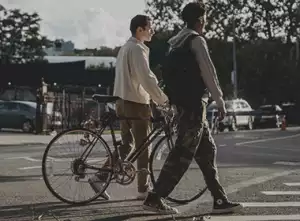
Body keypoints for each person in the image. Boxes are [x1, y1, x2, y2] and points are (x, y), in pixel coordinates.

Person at [142, 2, 243, 214]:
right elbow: (209, 73)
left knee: (207, 151)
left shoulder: (175, 42)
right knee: (182, 154)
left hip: (182, 104)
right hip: (194, 106)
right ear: (200, 19)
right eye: (205, 18)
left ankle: (219, 199)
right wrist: (220, 100)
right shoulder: (196, 41)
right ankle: (155, 196)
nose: (206, 22)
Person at [88, 14, 169, 200]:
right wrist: (162, 100)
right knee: (143, 147)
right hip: (136, 103)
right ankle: (143, 189)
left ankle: (100, 176)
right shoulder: (138, 49)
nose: (153, 31)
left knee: (127, 145)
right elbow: (146, 79)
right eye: (150, 27)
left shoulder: (124, 48)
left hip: (121, 102)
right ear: (140, 29)